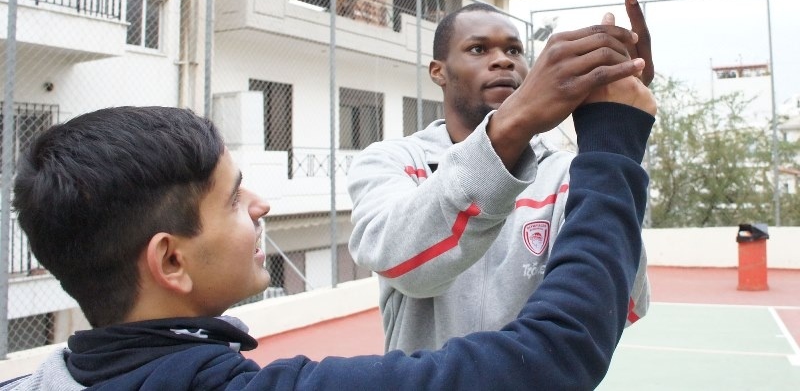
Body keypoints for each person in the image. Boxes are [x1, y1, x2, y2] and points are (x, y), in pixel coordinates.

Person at [3, 90, 653, 390]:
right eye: (232, 199)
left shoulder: (46, 377)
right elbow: (550, 359)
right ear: (170, 259)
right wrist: (613, 146)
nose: (259, 205)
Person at [348, 0, 655, 353]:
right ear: (439, 71)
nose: (503, 60)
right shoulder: (393, 160)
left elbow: (621, 303)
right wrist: (514, 125)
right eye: (478, 49)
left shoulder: (566, 173)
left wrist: (613, 136)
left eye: (514, 50)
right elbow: (404, 267)